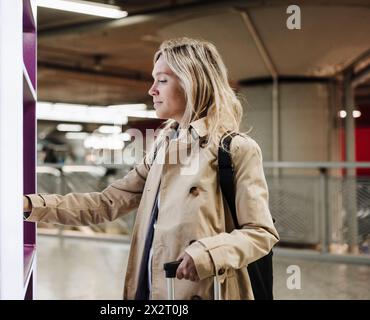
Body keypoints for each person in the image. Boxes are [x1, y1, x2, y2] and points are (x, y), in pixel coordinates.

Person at [23, 37, 279, 300]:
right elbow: (105, 203)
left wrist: (207, 253)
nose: (151, 90)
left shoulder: (236, 149)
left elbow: (261, 233)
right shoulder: (161, 149)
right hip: (151, 290)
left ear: (193, 82)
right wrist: (30, 205)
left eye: (162, 80)